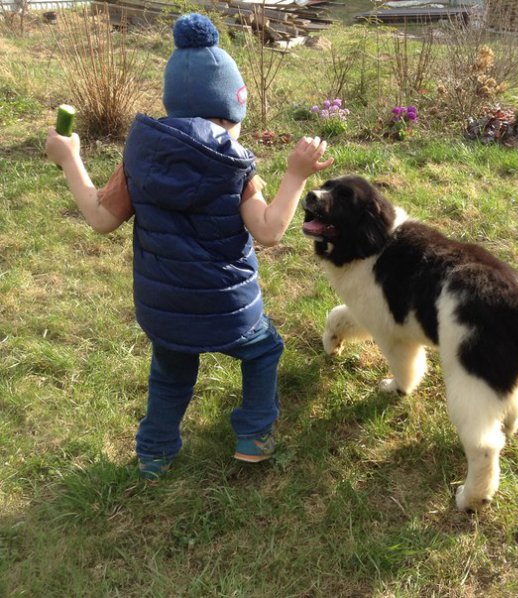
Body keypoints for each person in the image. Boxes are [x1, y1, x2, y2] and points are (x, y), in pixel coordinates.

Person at [45, 13, 333, 479]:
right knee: (263, 351)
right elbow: (270, 231)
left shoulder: (141, 155)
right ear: (227, 114)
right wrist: (297, 174)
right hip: (229, 308)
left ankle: (155, 453)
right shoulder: (233, 165)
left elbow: (100, 219)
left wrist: (71, 159)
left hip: (165, 308)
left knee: (171, 372)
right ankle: (254, 436)